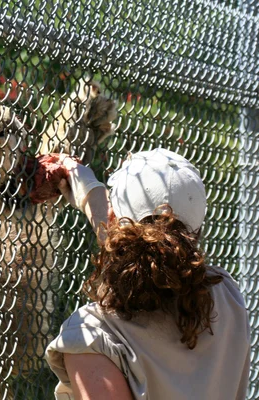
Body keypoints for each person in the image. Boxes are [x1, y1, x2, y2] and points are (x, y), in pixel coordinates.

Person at [45, 148, 251, 400]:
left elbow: (141, 244)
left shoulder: (90, 335)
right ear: (196, 233)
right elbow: (155, 247)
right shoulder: (227, 297)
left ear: (112, 221)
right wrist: (91, 193)